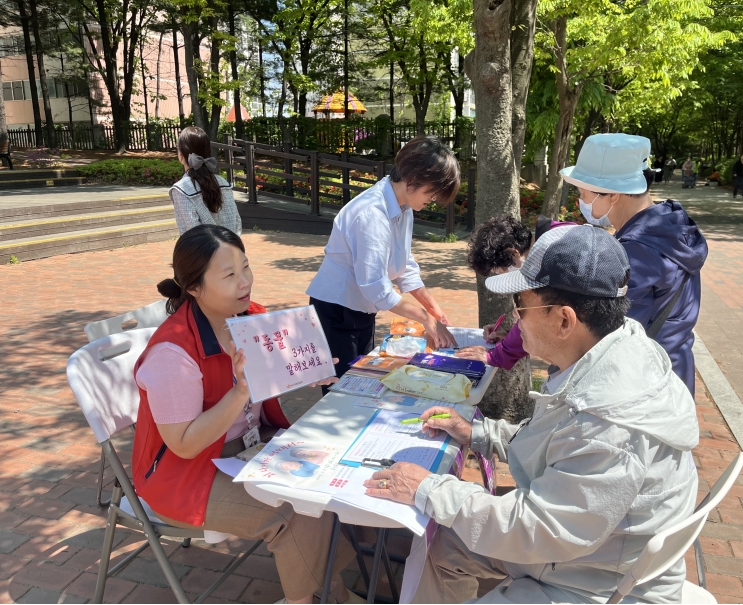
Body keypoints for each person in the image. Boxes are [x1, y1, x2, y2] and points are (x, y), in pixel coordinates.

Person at [363, 225, 699, 603]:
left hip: (593, 581)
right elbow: (558, 445)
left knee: (444, 519)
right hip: (591, 551)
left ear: (564, 320)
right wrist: (479, 432)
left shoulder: (605, 422)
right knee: (446, 546)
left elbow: (537, 529)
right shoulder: (618, 352)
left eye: (521, 306)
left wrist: (427, 488)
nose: (515, 319)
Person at [132, 225, 359, 604]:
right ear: (194, 288)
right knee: (292, 510)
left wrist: (302, 370)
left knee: (331, 476)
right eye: (229, 275)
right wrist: (241, 392)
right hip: (188, 474)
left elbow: (267, 378)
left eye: (247, 268)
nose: (245, 282)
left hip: (246, 450)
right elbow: (184, 445)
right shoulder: (173, 355)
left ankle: (331, 596)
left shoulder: (250, 318)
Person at [560, 133, 707, 395]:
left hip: (642, 389)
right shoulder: (668, 228)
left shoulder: (636, 253)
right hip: (674, 375)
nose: (580, 201)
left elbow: (609, 337)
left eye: (583, 193)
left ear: (613, 194)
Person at [307, 135, 459, 382]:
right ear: (412, 179)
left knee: (363, 378)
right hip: (336, 310)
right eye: (432, 191)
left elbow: (405, 265)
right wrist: (424, 318)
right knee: (345, 387)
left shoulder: (403, 206)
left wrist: (433, 308)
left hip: (361, 308)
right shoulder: (372, 213)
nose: (433, 200)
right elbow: (375, 287)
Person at [458, 215, 571, 370]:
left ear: (513, 254)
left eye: (501, 271)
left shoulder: (552, 257)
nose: (515, 314)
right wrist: (515, 335)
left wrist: (495, 355)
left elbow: (537, 314)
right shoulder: (556, 235)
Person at [170, 126, 242, 235]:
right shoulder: (223, 182)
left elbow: (193, 233)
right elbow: (236, 222)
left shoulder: (181, 189)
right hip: (231, 248)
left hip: (202, 252)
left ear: (181, 155)